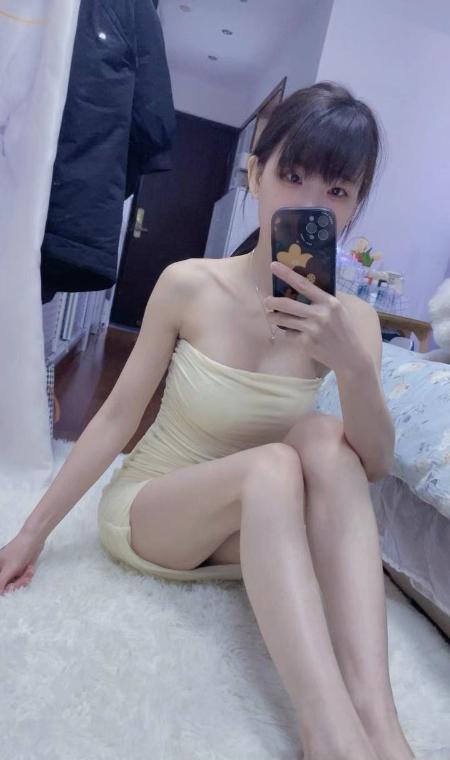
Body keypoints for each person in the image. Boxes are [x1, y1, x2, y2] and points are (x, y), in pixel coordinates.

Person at [0, 82, 415, 760]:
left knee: (319, 436)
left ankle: (380, 721)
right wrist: (30, 533)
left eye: (337, 191)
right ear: (255, 173)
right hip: (157, 511)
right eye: (292, 175)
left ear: (355, 205)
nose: (311, 204)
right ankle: (329, 734)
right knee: (276, 463)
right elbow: (115, 419)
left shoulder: (355, 322)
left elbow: (370, 466)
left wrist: (352, 365)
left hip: (252, 528)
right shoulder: (190, 284)